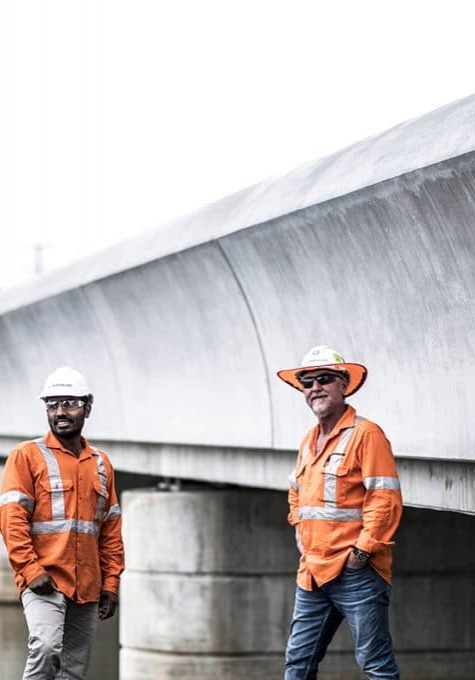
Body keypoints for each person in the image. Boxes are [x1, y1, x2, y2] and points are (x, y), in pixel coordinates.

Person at [277, 345, 403, 680]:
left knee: (375, 664)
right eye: (307, 382)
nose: (315, 387)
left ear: (344, 385)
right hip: (313, 572)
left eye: (324, 379)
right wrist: (299, 529)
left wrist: (362, 552)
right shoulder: (309, 439)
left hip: (356, 572)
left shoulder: (367, 434)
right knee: (298, 664)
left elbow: (385, 498)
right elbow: (296, 491)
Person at [0, 366, 125, 680]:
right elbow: (11, 520)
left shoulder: (101, 463)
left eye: (69, 403)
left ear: (88, 406)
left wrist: (110, 584)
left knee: (73, 669)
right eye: (52, 405)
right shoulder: (26, 456)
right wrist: (30, 571)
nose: (60, 412)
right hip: (44, 579)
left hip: (87, 584)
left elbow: (109, 530)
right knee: (45, 648)